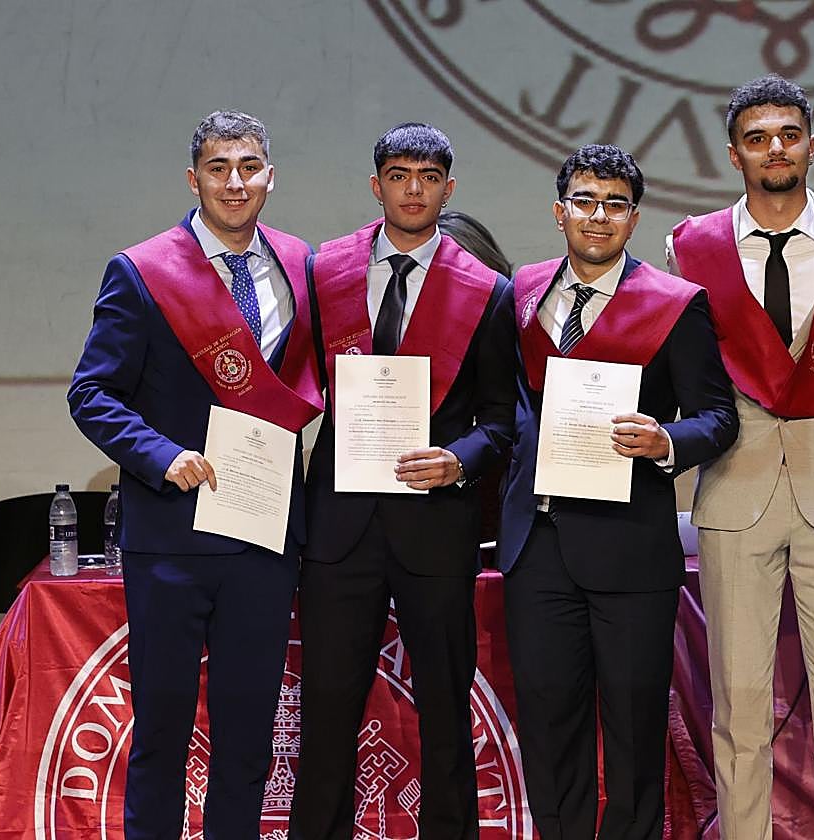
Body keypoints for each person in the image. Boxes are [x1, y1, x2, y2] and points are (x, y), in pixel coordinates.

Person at [68, 110, 323, 838]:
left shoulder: (301, 264)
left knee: (247, 740)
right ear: (194, 179)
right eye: (218, 168)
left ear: (270, 176)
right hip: (173, 539)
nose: (235, 182)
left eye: (249, 166)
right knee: (163, 735)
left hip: (265, 538)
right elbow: (90, 393)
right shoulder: (144, 270)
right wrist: (160, 454)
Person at [666, 74, 814, 840]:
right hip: (735, 491)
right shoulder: (688, 245)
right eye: (758, 137)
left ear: (812, 146)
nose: (775, 149)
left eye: (788, 135)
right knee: (738, 709)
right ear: (734, 153)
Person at [497, 144, 738, 840]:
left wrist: (665, 441)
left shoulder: (675, 304)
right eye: (584, 200)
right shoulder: (522, 294)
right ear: (559, 210)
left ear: (634, 219)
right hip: (536, 546)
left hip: (629, 548)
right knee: (548, 725)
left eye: (614, 204)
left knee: (633, 732)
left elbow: (718, 418)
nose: (597, 216)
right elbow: (507, 405)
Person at [289, 122, 513, 840]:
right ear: (376, 183)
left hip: (436, 525)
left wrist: (460, 460)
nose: (412, 188)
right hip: (340, 525)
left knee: (446, 709)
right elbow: (293, 386)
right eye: (398, 174)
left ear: (449, 188)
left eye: (427, 176)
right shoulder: (326, 272)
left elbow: (499, 423)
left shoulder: (489, 292)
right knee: (326, 709)